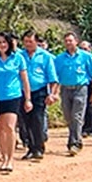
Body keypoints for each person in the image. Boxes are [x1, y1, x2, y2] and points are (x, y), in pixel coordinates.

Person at [0, 32, 28, 173]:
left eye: (4, 42)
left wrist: (27, 99)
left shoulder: (18, 58)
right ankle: (3, 157)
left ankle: (10, 160)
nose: (2, 45)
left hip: (13, 96)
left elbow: (24, 80)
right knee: (0, 128)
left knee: (9, 127)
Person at [53, 33, 92, 155]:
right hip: (65, 89)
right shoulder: (59, 59)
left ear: (76, 41)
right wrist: (54, 92)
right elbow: (56, 77)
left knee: (77, 116)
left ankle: (75, 142)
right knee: (68, 116)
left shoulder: (86, 57)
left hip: (81, 88)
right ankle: (74, 137)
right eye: (66, 41)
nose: (68, 43)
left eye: (70, 40)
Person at [20, 32, 57, 160]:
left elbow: (53, 78)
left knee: (38, 119)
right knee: (26, 121)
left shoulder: (46, 56)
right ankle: (30, 147)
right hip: (23, 92)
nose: (27, 44)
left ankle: (39, 148)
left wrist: (52, 94)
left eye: (30, 41)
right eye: (25, 42)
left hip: (39, 91)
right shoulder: (19, 56)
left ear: (36, 42)